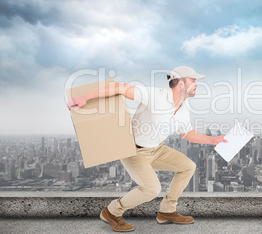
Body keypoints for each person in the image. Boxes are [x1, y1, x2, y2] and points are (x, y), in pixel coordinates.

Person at [67, 66, 227, 232]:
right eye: (193, 80)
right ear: (180, 83)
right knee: (152, 189)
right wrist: (85, 97)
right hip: (135, 151)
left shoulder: (184, 108)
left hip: (156, 149)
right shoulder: (155, 95)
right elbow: (120, 87)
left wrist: (214, 140)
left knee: (188, 166)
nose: (196, 84)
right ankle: (112, 212)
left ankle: (167, 211)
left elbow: (188, 134)